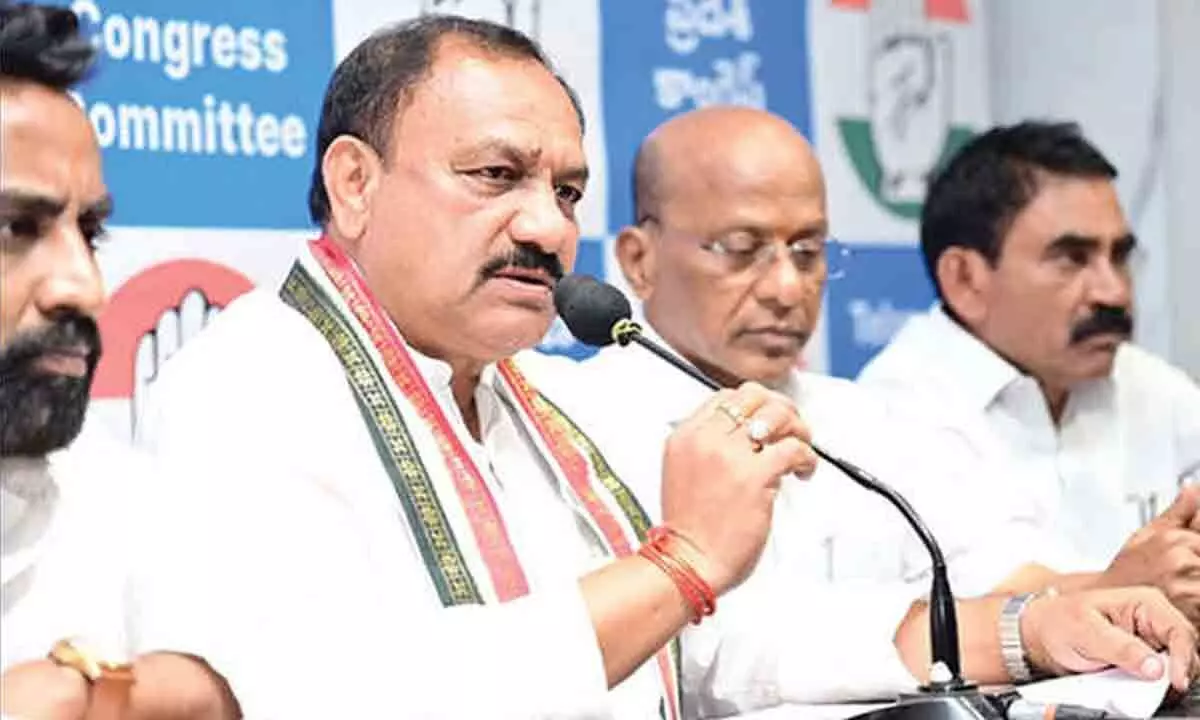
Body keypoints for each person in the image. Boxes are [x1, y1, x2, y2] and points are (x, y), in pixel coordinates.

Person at [136, 15, 815, 719]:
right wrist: (680, 563)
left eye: (567, 193)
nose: (548, 228)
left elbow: (695, 653)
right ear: (355, 183)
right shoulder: (243, 389)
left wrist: (901, 634)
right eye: (496, 176)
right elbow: (338, 694)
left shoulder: (552, 394)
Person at [521, 105, 1200, 714]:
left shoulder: (858, 417)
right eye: (742, 251)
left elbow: (990, 566)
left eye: (808, 252)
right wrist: (1020, 630)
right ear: (638, 261)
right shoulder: (575, 423)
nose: (787, 288)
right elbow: (707, 659)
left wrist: (1104, 595)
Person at [0, 3, 237, 719]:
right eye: (15, 228)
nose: (85, 287)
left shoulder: (118, 499)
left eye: (90, 232)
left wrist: (98, 692)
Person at [857, 121, 1200, 616]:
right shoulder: (894, 411)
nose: (1114, 292)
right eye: (1071, 259)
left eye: (1120, 256)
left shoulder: (1143, 381)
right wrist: (1131, 586)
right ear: (965, 280)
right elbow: (977, 606)